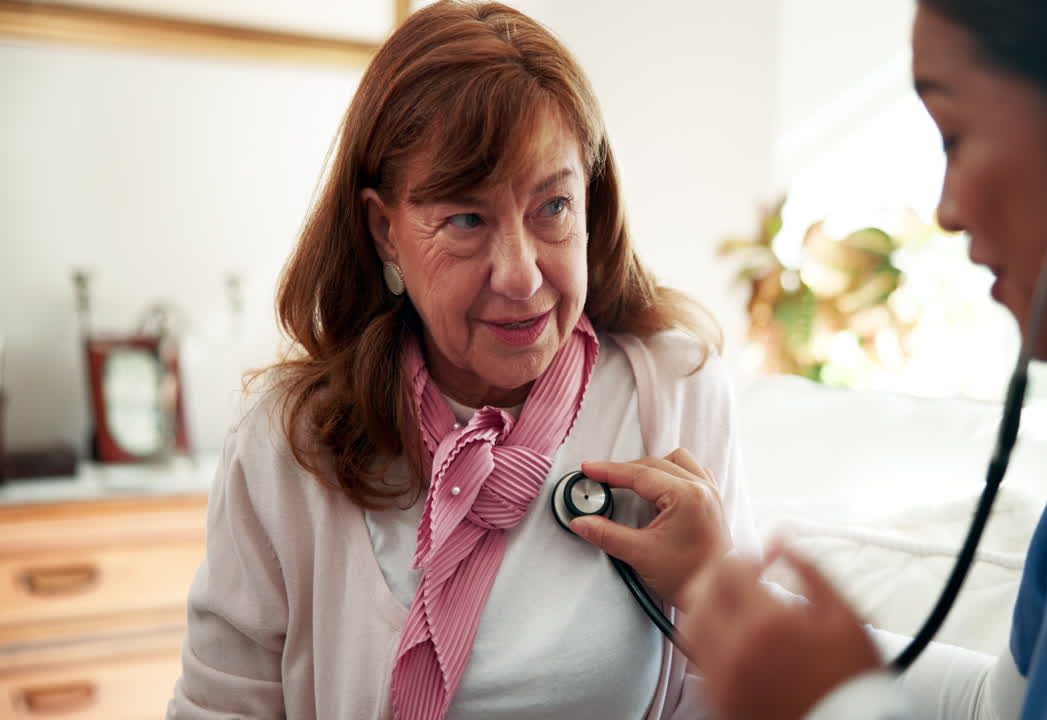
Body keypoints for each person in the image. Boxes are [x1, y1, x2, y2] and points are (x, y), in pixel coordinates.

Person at [587, 0, 1047, 718]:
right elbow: (995, 708)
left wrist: (840, 710)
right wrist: (717, 588)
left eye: (953, 136)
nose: (946, 211)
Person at [167, 2, 755, 718]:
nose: (521, 274)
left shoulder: (676, 392)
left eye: (553, 206)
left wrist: (719, 594)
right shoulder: (286, 443)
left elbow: (734, 698)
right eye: (466, 219)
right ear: (385, 231)